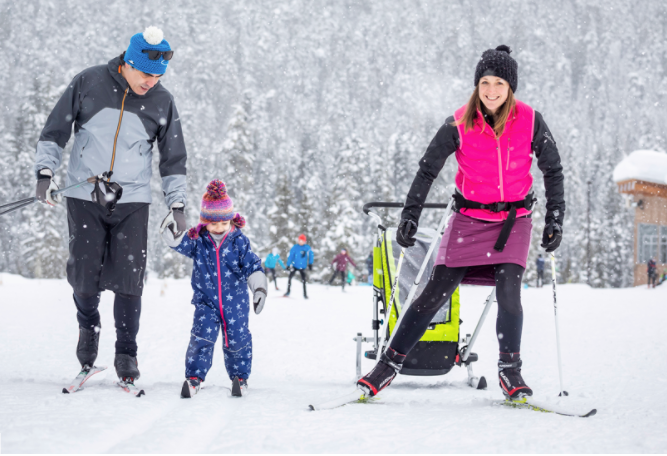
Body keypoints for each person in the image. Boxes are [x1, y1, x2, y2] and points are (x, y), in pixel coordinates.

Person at [357, 45, 565, 401]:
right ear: (476, 85)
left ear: (510, 87)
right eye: (485, 82)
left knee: (510, 296)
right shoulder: (458, 122)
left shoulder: (531, 120)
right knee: (432, 295)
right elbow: (428, 170)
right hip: (468, 220)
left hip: (514, 221)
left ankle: (509, 371)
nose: (491, 90)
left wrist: (555, 217)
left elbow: (553, 169)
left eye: (499, 82)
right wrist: (410, 215)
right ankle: (387, 365)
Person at [33, 27, 188, 384]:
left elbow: (173, 159)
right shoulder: (88, 82)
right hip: (84, 195)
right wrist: (45, 173)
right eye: (146, 74)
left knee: (130, 280)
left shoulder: (162, 101)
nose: (152, 82)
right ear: (128, 64)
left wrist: (177, 203)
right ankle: (88, 328)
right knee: (84, 276)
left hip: (132, 200)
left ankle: (126, 354)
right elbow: (55, 131)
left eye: (158, 75)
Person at [161, 180, 266, 398]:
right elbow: (179, 242)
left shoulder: (239, 242)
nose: (218, 228)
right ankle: (194, 378)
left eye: (223, 223)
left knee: (237, 339)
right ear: (204, 222)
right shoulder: (198, 240)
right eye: (213, 224)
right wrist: (171, 237)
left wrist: (259, 289)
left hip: (235, 304)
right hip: (206, 302)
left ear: (231, 220)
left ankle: (240, 377)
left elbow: (252, 265)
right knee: (201, 338)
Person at [284, 234, 314, 299]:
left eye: (302, 240)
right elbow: (291, 256)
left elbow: (311, 255)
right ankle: (288, 291)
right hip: (295, 265)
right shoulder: (295, 247)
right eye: (300, 240)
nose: (301, 242)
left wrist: (310, 264)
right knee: (290, 278)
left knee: (304, 280)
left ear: (304, 241)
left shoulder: (307, 248)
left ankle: (305, 294)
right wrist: (288, 265)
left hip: (302, 267)